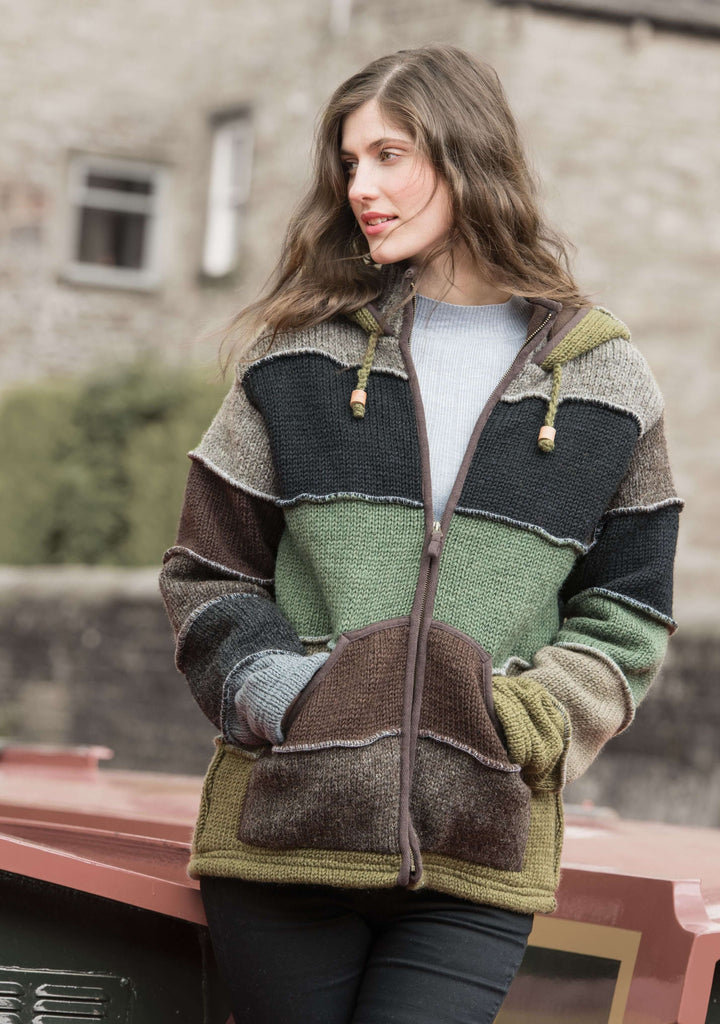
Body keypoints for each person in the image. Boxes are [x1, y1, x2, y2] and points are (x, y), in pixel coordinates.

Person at [159, 44, 682, 1024]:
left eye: (390, 155)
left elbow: (630, 609)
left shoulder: (605, 381)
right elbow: (207, 572)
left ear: (467, 153)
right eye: (350, 162)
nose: (362, 186)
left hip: (481, 845)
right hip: (286, 831)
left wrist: (530, 722)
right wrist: (288, 696)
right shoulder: (297, 356)